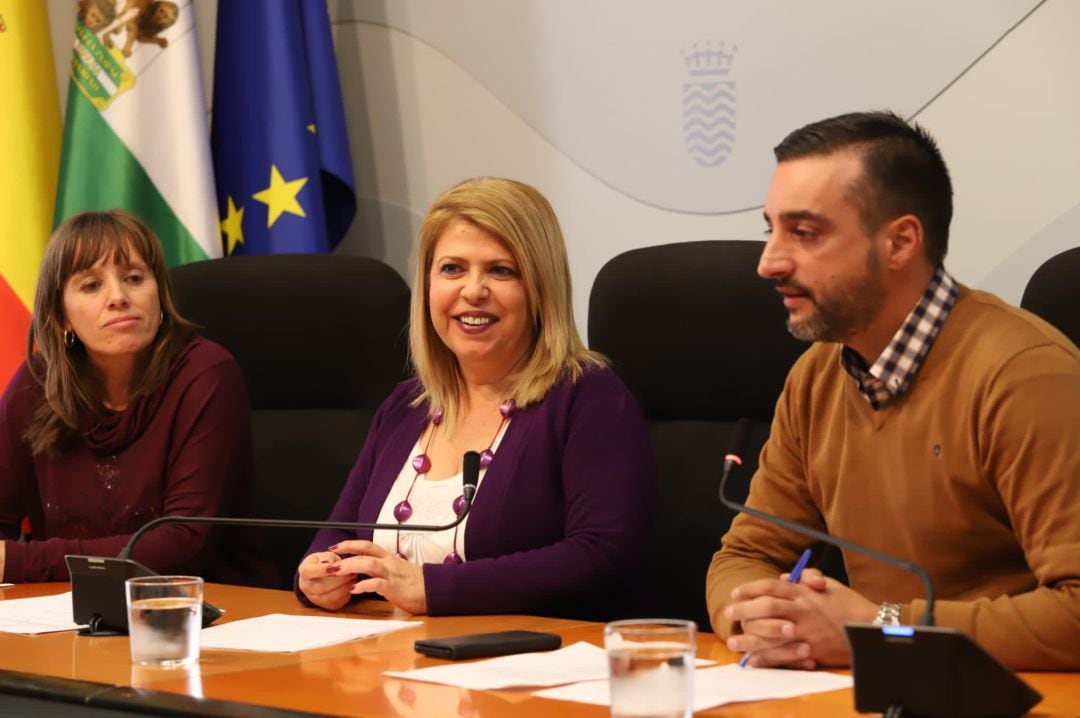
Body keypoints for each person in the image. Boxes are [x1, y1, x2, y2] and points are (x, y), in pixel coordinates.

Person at [706, 111, 1080, 671]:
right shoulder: (817, 377)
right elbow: (745, 555)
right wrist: (765, 618)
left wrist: (883, 626)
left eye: (804, 233)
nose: (769, 262)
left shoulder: (1024, 375)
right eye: (771, 229)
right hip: (882, 691)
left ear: (901, 241)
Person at [296, 177, 656, 619]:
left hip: (531, 666)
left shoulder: (588, 397)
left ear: (541, 288)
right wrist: (319, 576)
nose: (472, 290)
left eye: (501, 270)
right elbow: (337, 535)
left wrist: (434, 588)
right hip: (398, 664)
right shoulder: (406, 406)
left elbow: (602, 556)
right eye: (452, 269)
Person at [0, 209, 271, 586]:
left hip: (208, 615)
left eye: (134, 278)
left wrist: (19, 561)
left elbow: (183, 545)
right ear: (62, 317)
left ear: (159, 293)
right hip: (68, 617)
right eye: (91, 285)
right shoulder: (37, 383)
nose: (118, 297)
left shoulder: (206, 373)